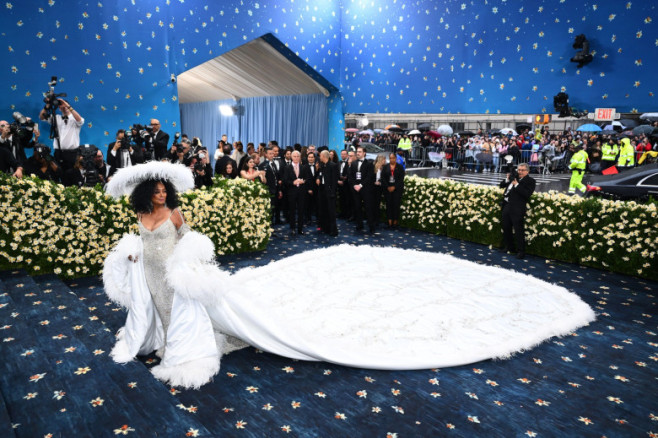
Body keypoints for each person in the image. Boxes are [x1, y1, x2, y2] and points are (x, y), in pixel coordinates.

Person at [499, 163, 536, 259]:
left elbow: (527, 194)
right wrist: (507, 179)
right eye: (519, 170)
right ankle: (509, 247)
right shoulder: (514, 177)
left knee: (518, 230)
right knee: (506, 227)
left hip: (517, 208)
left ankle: (521, 251)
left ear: (527, 171)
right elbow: (501, 185)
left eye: (522, 170)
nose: (520, 172)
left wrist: (516, 185)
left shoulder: (530, 181)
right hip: (507, 205)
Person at [39, 98, 84, 172]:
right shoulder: (56, 118)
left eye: (65, 105)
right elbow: (41, 117)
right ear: (59, 108)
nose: (63, 107)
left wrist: (68, 106)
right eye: (61, 106)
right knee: (58, 173)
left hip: (72, 153)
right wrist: (47, 106)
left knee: (72, 174)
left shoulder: (75, 118)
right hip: (58, 152)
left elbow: (80, 120)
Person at [349, 145, 376, 233]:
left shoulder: (369, 164)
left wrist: (360, 185)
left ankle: (371, 226)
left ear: (364, 153)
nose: (358, 153)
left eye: (360, 152)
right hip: (356, 189)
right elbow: (350, 176)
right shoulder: (353, 163)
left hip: (366, 189)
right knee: (357, 207)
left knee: (368, 208)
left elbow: (370, 177)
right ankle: (359, 224)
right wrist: (354, 185)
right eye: (357, 152)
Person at [283, 151, 310, 235]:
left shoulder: (303, 167)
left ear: (300, 157)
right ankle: (293, 228)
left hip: (301, 192)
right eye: (294, 156)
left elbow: (307, 178)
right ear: (291, 157)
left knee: (301, 211)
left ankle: (300, 229)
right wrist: (293, 182)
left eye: (298, 156)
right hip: (291, 192)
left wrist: (303, 181)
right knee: (292, 211)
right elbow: (285, 180)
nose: (296, 158)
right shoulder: (287, 167)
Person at [258, 148, 283, 225]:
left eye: (272, 153)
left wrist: (279, 189)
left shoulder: (274, 163)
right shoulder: (262, 165)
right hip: (268, 190)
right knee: (269, 209)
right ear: (265, 154)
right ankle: (269, 225)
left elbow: (276, 176)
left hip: (275, 188)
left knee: (275, 207)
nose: (272, 155)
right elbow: (262, 180)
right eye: (270, 153)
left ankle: (274, 223)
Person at [316, 150, 338, 236]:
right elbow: (320, 174)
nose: (319, 157)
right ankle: (325, 228)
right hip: (322, 191)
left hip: (330, 192)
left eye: (320, 156)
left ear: (324, 156)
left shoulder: (333, 165)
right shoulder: (322, 165)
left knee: (331, 212)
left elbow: (334, 180)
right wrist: (318, 178)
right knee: (324, 210)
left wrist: (332, 192)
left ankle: (333, 230)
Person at [381, 152, 405, 228]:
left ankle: (395, 221)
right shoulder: (385, 167)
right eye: (390, 158)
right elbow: (383, 178)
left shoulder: (400, 167)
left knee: (396, 204)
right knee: (388, 204)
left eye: (393, 158)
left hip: (397, 189)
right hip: (387, 189)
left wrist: (394, 187)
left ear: (396, 158)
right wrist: (388, 187)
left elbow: (401, 179)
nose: (392, 160)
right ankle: (389, 220)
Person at [371, 154, 387, 227]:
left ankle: (376, 220)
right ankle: (372, 219)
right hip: (373, 187)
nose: (385, 161)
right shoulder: (373, 167)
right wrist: (374, 182)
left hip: (380, 188)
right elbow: (370, 177)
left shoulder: (384, 168)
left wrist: (380, 182)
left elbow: (385, 178)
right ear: (381, 160)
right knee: (373, 204)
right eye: (384, 159)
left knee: (377, 204)